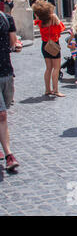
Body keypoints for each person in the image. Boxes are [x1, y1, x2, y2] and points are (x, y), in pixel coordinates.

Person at [0, 10, 22, 171]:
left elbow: (13, 42)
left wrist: (17, 46)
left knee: (3, 110)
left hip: (6, 72)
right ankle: (9, 154)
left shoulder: (6, 19)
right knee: (2, 114)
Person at [33, 0, 66, 97]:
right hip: (54, 44)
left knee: (48, 68)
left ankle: (47, 89)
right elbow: (61, 28)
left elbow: (37, 19)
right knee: (56, 68)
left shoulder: (40, 21)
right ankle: (56, 90)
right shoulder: (53, 20)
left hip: (44, 45)